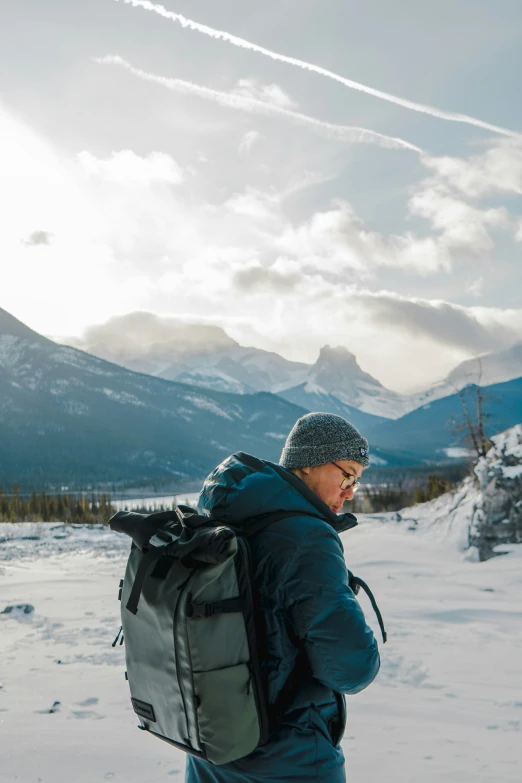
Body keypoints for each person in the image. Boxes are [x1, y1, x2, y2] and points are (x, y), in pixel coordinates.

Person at [185, 412, 380, 783]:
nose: (352, 490)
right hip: (289, 755)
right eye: (348, 474)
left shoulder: (225, 518)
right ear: (308, 463)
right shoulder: (308, 537)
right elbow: (351, 666)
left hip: (212, 741)